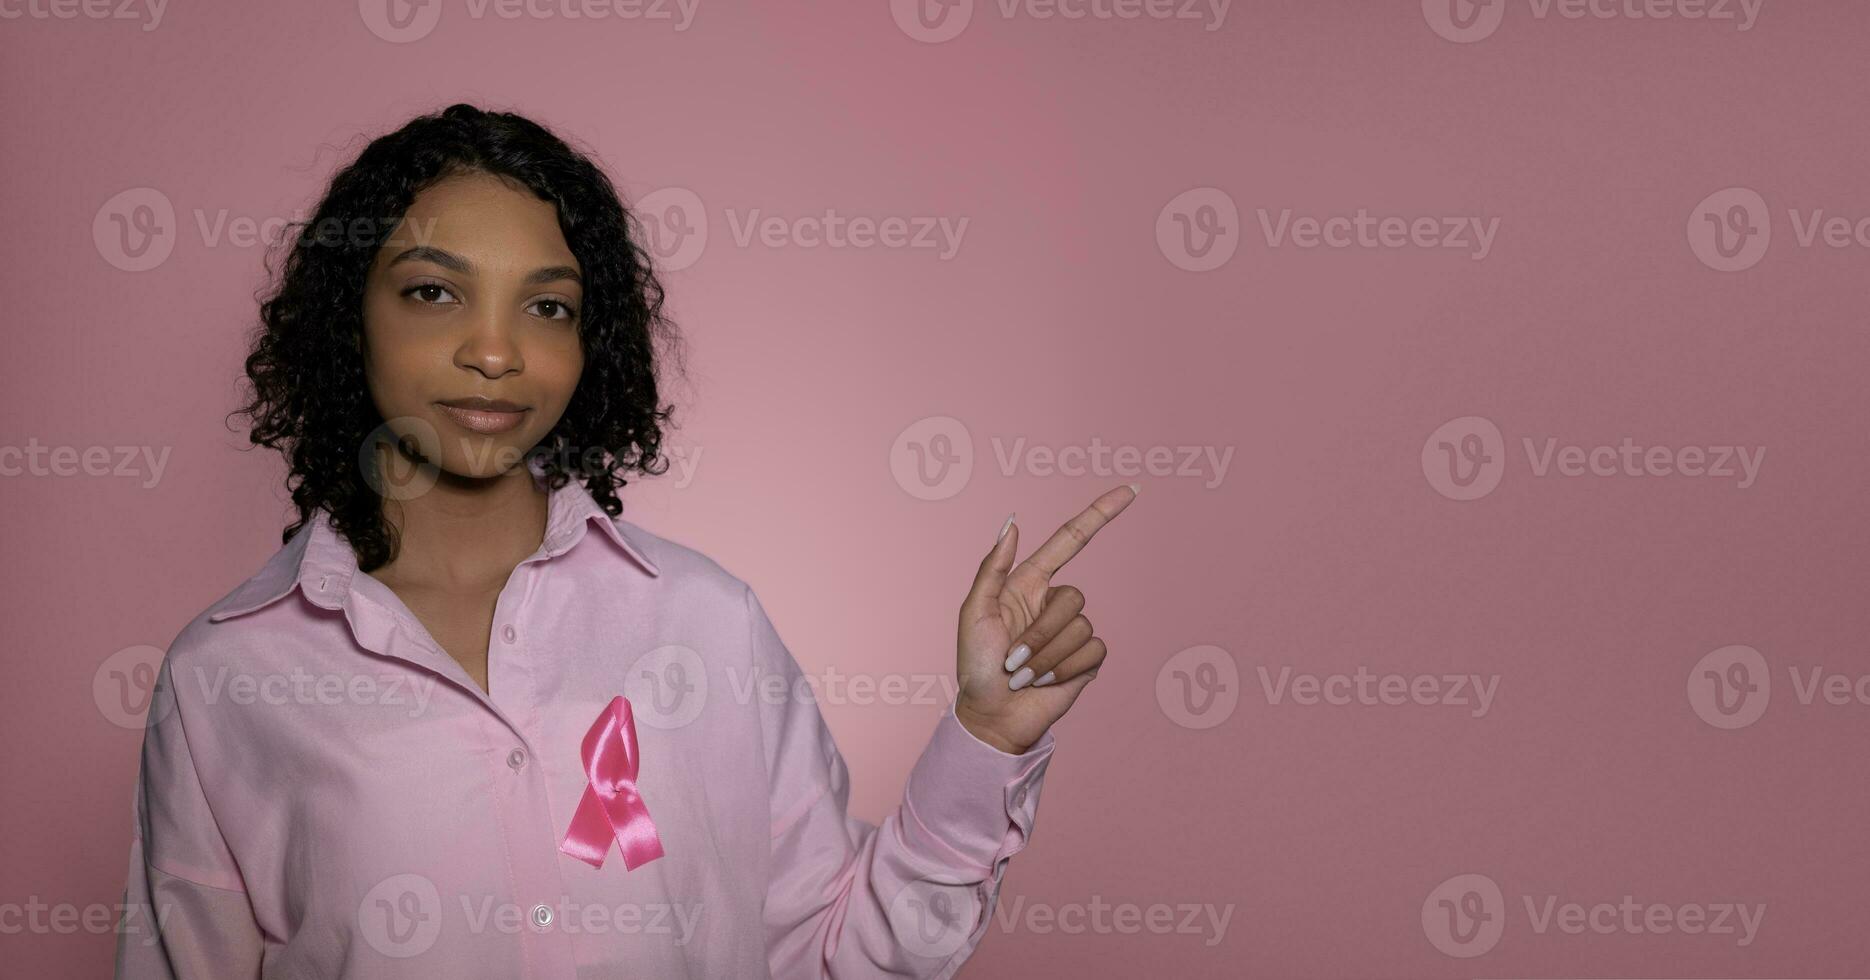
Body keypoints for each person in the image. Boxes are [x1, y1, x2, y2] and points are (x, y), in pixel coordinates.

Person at [114, 102, 1137, 979]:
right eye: (434, 290)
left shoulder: (706, 621)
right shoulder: (226, 678)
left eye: (547, 305)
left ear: (586, 344)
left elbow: (840, 951)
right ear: (351, 317)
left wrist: (987, 737)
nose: (493, 349)